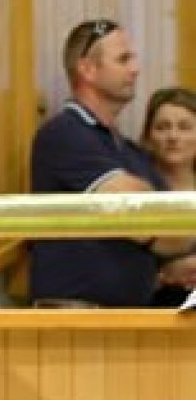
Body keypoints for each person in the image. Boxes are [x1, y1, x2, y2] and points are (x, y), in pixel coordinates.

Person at [29, 20, 192, 308]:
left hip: (126, 315)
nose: (135, 69)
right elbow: (135, 210)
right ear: (88, 69)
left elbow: (173, 230)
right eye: (123, 59)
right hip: (76, 316)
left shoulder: (127, 150)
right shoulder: (65, 133)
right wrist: (152, 214)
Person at [137, 87, 196, 306]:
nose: (173, 136)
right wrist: (164, 275)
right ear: (148, 136)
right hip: (152, 311)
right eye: (162, 127)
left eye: (185, 127)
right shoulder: (136, 191)